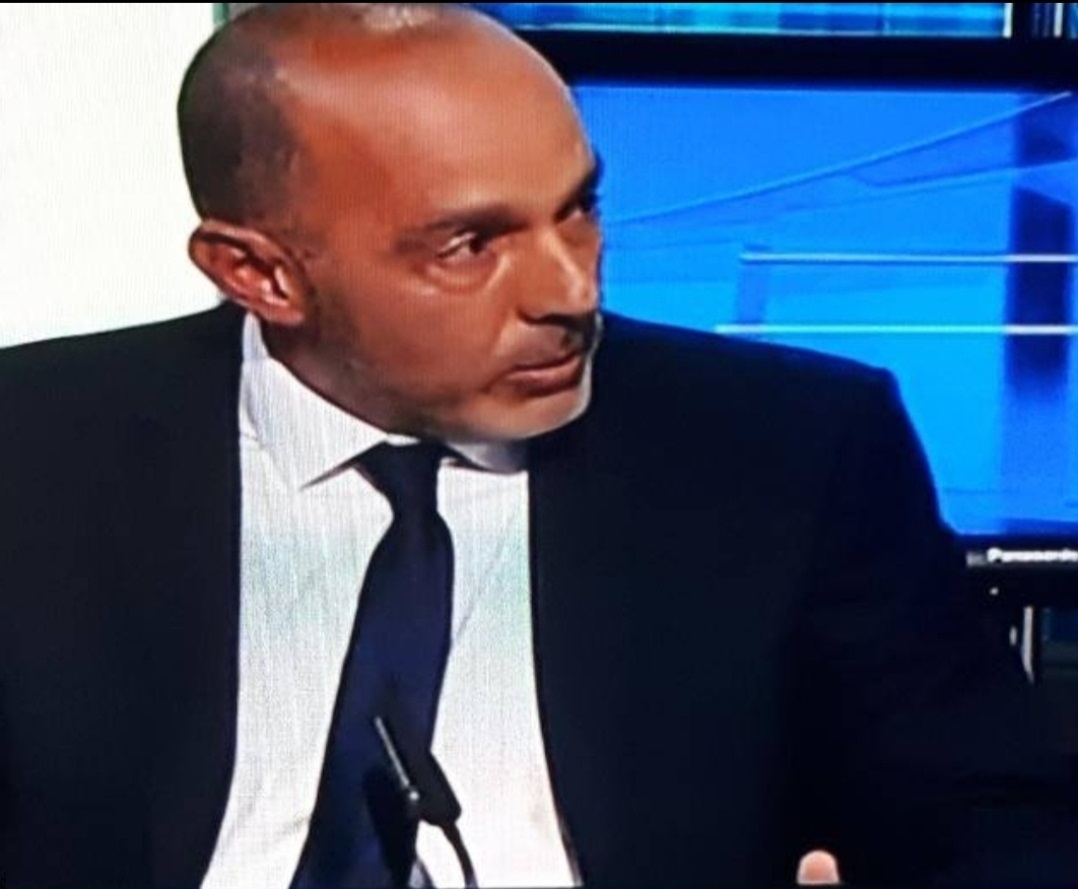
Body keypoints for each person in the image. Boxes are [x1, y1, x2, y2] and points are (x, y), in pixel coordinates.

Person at [0, 3, 1076, 887]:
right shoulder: (33, 451)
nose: (571, 289)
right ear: (261, 274)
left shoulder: (791, 448)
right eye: (470, 244)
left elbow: (996, 829)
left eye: (578, 210)